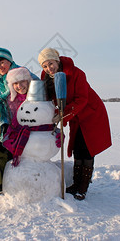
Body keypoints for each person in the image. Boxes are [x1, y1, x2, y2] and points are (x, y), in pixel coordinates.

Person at [38, 48, 112, 200]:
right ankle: (76, 184)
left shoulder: (76, 73)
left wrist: (63, 114)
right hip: (75, 116)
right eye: (45, 66)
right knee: (78, 148)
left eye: (50, 63)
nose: (48, 68)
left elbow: (82, 99)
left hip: (91, 113)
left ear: (57, 61)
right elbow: (51, 98)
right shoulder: (47, 77)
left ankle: (82, 187)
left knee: (87, 148)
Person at [2, 67, 63, 163]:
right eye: (15, 83)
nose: (19, 86)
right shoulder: (10, 101)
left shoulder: (39, 98)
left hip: (38, 140)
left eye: (22, 81)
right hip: (16, 139)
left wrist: (57, 132)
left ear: (28, 81)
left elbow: (45, 120)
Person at [0, 47, 39, 136]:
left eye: (2, 63)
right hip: (8, 110)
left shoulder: (20, 70)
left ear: (9, 61)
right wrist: (3, 122)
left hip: (24, 107)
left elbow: (37, 83)